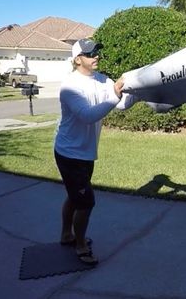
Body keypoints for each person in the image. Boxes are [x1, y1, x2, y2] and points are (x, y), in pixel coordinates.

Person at [54, 38, 133, 265]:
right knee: (86, 202)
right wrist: (115, 95)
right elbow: (87, 115)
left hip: (85, 152)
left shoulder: (101, 79)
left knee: (74, 196)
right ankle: (79, 246)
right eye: (90, 53)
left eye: (97, 51)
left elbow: (119, 103)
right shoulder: (70, 86)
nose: (96, 56)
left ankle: (66, 235)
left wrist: (142, 92)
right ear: (78, 59)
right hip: (69, 153)